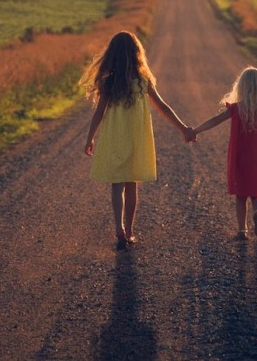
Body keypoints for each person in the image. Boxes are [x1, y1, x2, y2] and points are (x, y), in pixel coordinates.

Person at [81, 30, 195, 250]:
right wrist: (183, 128)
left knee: (117, 184)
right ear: (136, 54)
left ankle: (118, 227)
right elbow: (163, 107)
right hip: (136, 138)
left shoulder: (109, 83)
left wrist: (90, 138)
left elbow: (99, 114)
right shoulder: (143, 81)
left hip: (115, 137)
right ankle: (130, 230)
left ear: (112, 54)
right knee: (132, 183)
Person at [193, 66, 257, 239]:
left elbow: (215, 120)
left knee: (240, 195)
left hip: (239, 158)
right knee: (256, 193)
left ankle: (242, 230)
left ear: (241, 87)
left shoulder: (236, 109)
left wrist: (195, 131)